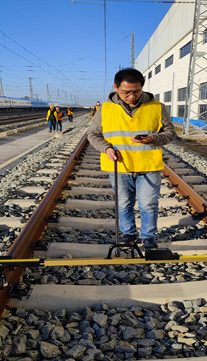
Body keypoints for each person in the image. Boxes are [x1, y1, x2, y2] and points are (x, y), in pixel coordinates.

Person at [87, 68, 177, 250]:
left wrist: (155, 139)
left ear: (142, 87)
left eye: (136, 91)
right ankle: (128, 235)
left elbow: (170, 133)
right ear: (116, 87)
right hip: (119, 166)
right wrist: (106, 149)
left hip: (149, 166)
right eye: (126, 92)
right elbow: (93, 134)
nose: (131, 96)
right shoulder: (105, 109)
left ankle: (148, 238)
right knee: (124, 204)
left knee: (149, 205)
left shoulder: (157, 107)